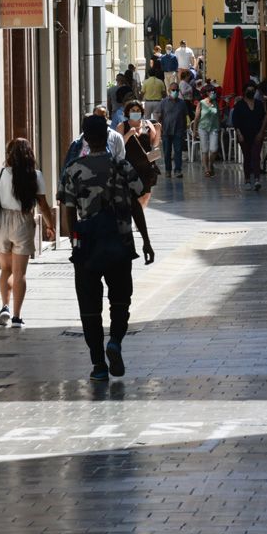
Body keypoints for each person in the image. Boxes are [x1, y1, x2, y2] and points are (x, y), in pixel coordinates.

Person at [59, 115, 155, 381]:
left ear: (85, 138)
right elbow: (137, 203)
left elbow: (67, 209)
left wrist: (73, 241)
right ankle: (115, 341)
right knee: (120, 300)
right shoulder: (121, 165)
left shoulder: (73, 169)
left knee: (89, 307)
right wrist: (145, 240)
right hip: (120, 241)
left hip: (88, 244)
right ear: (108, 135)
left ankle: (98, 364)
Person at [0, 138, 56, 328]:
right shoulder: (35, 175)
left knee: (6, 269)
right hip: (23, 221)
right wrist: (50, 225)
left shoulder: (1, 172)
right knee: (20, 273)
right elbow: (43, 205)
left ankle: (5, 307)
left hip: (2, 221)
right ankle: (17, 317)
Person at [118, 99, 161, 205]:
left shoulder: (148, 124)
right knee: (131, 194)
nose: (136, 112)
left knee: (146, 194)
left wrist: (158, 131)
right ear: (128, 112)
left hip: (146, 165)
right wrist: (128, 134)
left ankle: (139, 214)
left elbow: (154, 144)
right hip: (129, 165)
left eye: (138, 110)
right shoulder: (122, 126)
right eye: (133, 110)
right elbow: (118, 145)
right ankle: (134, 216)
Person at [232, 82, 266, 190]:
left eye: (253, 90)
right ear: (245, 91)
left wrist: (261, 132)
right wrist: (239, 134)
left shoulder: (259, 104)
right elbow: (235, 121)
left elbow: (263, 119)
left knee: (256, 156)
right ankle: (247, 179)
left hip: (257, 134)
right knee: (247, 157)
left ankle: (256, 179)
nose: (251, 92)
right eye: (249, 90)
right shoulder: (239, 105)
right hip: (244, 135)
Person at [156, 82, 188, 178]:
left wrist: (185, 129)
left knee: (178, 151)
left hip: (178, 130)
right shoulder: (163, 102)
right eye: (173, 90)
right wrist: (158, 129)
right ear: (169, 91)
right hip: (166, 131)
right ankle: (168, 170)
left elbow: (184, 116)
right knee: (167, 152)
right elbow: (159, 116)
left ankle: (178, 170)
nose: (175, 92)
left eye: (177, 90)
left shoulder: (182, 103)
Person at [193, 85, 222, 178]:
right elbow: (197, 118)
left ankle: (211, 164)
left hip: (214, 128)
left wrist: (220, 127)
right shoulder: (201, 103)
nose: (213, 93)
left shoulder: (216, 103)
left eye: (214, 92)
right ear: (207, 93)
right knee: (205, 149)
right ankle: (207, 169)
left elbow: (218, 116)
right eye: (211, 92)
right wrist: (194, 130)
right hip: (203, 128)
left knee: (214, 149)